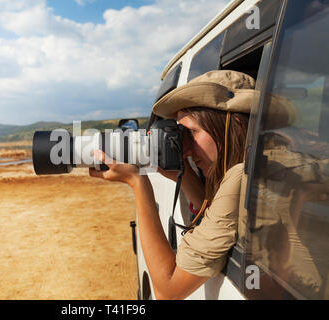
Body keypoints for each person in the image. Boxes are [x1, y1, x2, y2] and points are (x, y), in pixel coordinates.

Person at [89, 70, 257, 299]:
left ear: (233, 122)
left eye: (191, 133)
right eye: (180, 138)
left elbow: (167, 289)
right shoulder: (262, 165)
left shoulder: (241, 175)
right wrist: (184, 173)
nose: (186, 150)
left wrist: (137, 182)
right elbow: (218, 216)